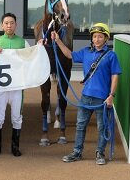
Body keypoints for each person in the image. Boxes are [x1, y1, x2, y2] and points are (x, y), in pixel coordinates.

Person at [50, 22, 122, 165]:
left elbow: (115, 75)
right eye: (95, 36)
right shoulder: (85, 52)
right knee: (80, 126)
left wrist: (111, 95)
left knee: (102, 127)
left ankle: (100, 153)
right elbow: (69, 55)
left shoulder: (111, 55)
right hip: (85, 97)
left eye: (100, 37)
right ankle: (77, 152)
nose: (97, 39)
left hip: (102, 98)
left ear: (106, 38)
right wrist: (57, 41)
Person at [0, 12, 30, 157]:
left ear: (16, 25)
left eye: (12, 23)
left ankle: (15, 146)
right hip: (1, 86)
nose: (9, 25)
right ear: (2, 25)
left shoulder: (23, 42)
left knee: (16, 117)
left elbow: (31, 60)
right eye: (6, 23)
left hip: (17, 87)